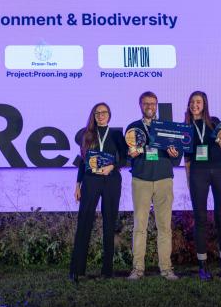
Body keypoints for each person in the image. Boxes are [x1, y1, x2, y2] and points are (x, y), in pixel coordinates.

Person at [69, 102, 127, 282]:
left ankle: (107, 271)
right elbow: (83, 161)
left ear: (109, 115)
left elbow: (125, 158)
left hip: (111, 180)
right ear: (93, 116)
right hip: (91, 180)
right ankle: (77, 270)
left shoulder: (117, 134)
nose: (101, 115)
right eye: (97, 113)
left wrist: (112, 166)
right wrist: (78, 184)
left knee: (109, 223)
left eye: (104, 112)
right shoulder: (87, 135)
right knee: (84, 221)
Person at [126, 91, 181, 281]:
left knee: (164, 227)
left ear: (156, 105)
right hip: (141, 179)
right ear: (140, 105)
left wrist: (175, 153)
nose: (149, 106)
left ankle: (166, 268)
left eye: (152, 103)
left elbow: (178, 153)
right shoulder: (133, 127)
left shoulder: (166, 127)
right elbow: (128, 153)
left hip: (164, 179)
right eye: (146, 103)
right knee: (139, 226)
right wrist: (131, 153)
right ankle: (137, 269)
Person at [184, 90, 221, 280]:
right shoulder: (186, 127)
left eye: (198, 101)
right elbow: (187, 159)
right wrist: (189, 180)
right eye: (192, 102)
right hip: (198, 173)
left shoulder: (215, 122)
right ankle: (203, 267)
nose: (194, 105)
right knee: (200, 218)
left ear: (204, 104)